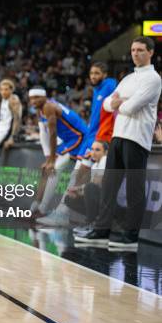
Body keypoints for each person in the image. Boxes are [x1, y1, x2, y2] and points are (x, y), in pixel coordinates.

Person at [75, 36, 162, 248]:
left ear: (150, 53)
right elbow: (106, 104)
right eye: (133, 50)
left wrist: (119, 103)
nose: (135, 53)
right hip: (118, 136)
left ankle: (131, 237)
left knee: (134, 189)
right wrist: (119, 102)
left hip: (137, 139)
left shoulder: (153, 79)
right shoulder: (127, 79)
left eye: (140, 50)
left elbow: (131, 107)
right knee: (108, 186)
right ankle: (101, 230)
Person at [36, 62, 117, 226]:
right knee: (78, 175)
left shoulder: (109, 84)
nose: (93, 76)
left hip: (100, 137)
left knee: (85, 176)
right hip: (91, 135)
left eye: (97, 73)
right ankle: (62, 212)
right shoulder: (96, 89)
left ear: (105, 74)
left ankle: (65, 214)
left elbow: (117, 94)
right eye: (91, 73)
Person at [28, 87, 88, 216]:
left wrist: (51, 160)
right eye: (31, 98)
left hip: (79, 136)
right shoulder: (40, 110)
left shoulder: (49, 107)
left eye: (37, 97)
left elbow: (53, 133)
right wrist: (48, 157)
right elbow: (44, 134)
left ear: (44, 97)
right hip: (68, 139)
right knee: (47, 170)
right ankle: (36, 206)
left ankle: (43, 210)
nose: (33, 101)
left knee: (55, 168)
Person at [65, 140, 108, 233]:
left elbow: (96, 183)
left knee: (89, 188)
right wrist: (78, 192)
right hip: (101, 200)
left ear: (105, 152)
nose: (93, 153)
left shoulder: (105, 160)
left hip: (112, 205)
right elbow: (92, 189)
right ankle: (96, 220)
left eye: (97, 150)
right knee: (69, 199)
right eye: (92, 149)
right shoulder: (95, 165)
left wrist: (79, 189)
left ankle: (90, 224)